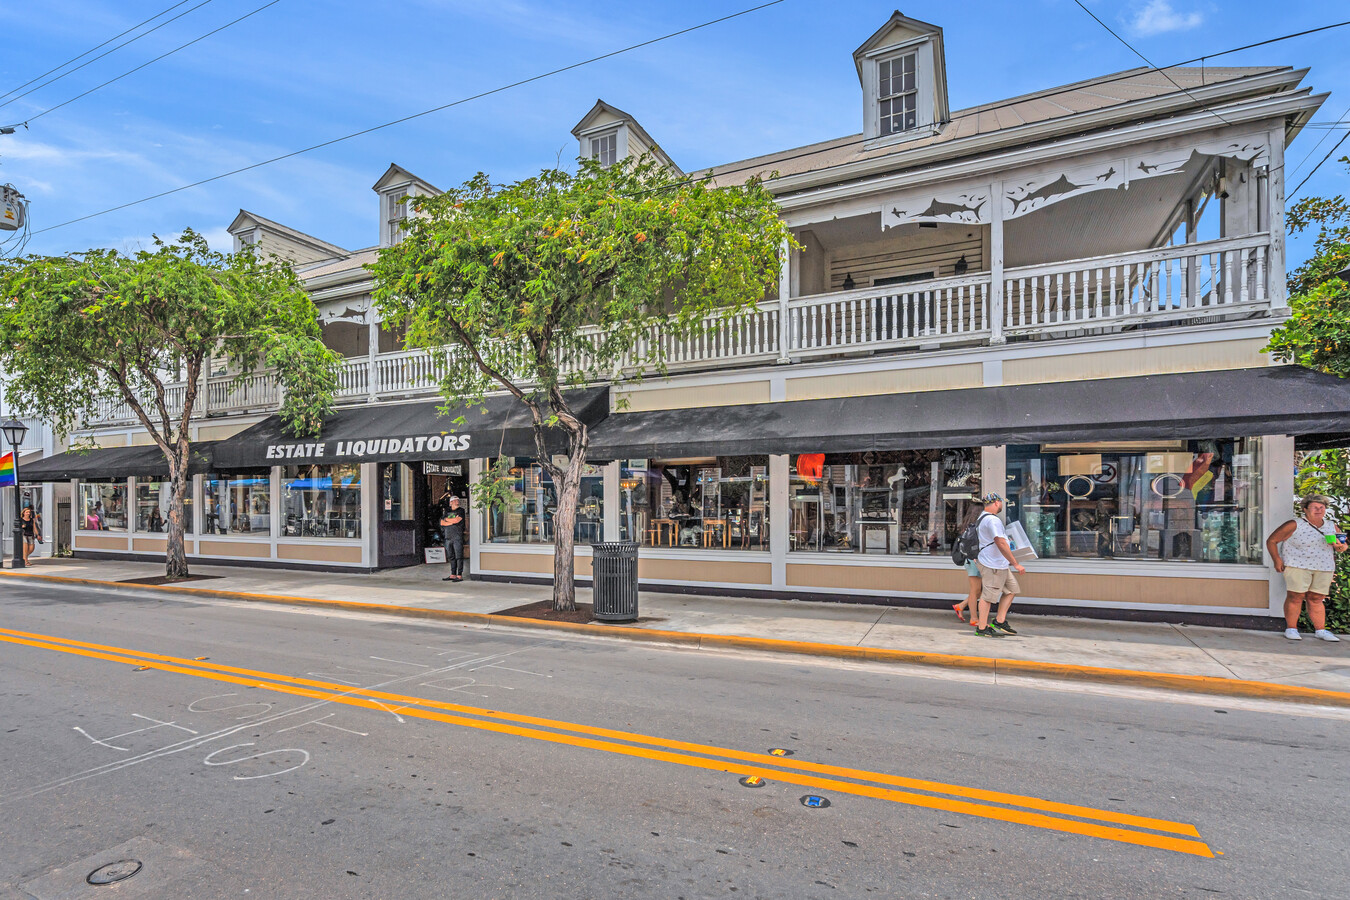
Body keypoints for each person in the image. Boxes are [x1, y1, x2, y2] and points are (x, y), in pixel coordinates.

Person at [1266, 495, 1345, 642]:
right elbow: (1272, 540)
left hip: (1323, 566)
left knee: (1316, 598)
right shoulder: (1295, 524)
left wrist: (1340, 547)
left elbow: (1342, 545)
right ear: (1305, 509)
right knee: (1295, 596)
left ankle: (1320, 630)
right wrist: (1277, 559)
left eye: (1322, 507)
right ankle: (1291, 628)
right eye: (1315, 507)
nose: (1319, 510)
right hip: (1298, 565)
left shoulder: (1331, 525)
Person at [973, 492, 1025, 638]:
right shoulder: (992, 520)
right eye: (1001, 502)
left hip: (999, 564)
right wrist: (1015, 563)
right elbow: (1000, 542)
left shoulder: (984, 518)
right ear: (996, 503)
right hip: (993, 565)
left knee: (1011, 590)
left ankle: (999, 621)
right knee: (988, 596)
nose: (1002, 504)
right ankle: (982, 628)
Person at [953, 503, 985, 625]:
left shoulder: (966, 526)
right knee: (976, 590)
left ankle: (960, 606)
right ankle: (974, 618)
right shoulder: (977, 526)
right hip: (975, 560)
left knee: (978, 590)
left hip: (969, 560)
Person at [440, 494, 466, 583]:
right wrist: (451, 521)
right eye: (455, 500)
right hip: (448, 537)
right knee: (451, 556)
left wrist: (448, 520)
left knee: (459, 556)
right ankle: (453, 574)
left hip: (457, 536)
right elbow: (442, 522)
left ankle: (459, 575)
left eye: (458, 500)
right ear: (451, 502)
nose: (457, 501)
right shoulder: (446, 511)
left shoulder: (461, 511)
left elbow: (457, 520)